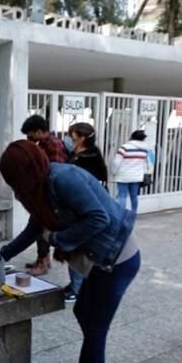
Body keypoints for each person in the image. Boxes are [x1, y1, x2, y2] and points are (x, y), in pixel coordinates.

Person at [0, 139, 139, 363]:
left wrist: (58, 239)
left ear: (25, 172)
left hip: (117, 258)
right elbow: (33, 230)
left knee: (95, 324)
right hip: (103, 260)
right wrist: (1, 255)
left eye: (13, 178)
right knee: (83, 313)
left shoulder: (63, 178)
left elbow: (99, 218)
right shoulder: (40, 188)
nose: (13, 186)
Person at [0, 114, 67, 275]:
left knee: (35, 230)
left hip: (48, 197)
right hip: (42, 196)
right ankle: (41, 260)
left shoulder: (53, 145)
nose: (29, 139)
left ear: (38, 131)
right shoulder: (41, 144)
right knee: (36, 230)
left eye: (30, 134)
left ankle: (39, 263)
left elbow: (53, 172)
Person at [64, 122, 109, 303]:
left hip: (84, 212)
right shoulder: (90, 155)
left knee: (78, 248)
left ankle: (77, 288)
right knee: (81, 249)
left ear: (81, 138)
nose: (68, 139)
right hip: (86, 210)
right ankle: (78, 285)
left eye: (71, 136)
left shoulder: (85, 160)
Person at [112, 129, 154, 214]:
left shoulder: (124, 147)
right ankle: (134, 212)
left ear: (131, 137)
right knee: (134, 196)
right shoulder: (145, 149)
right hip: (136, 176)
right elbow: (147, 163)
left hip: (123, 175)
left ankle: (121, 214)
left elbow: (116, 162)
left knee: (122, 195)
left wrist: (113, 172)